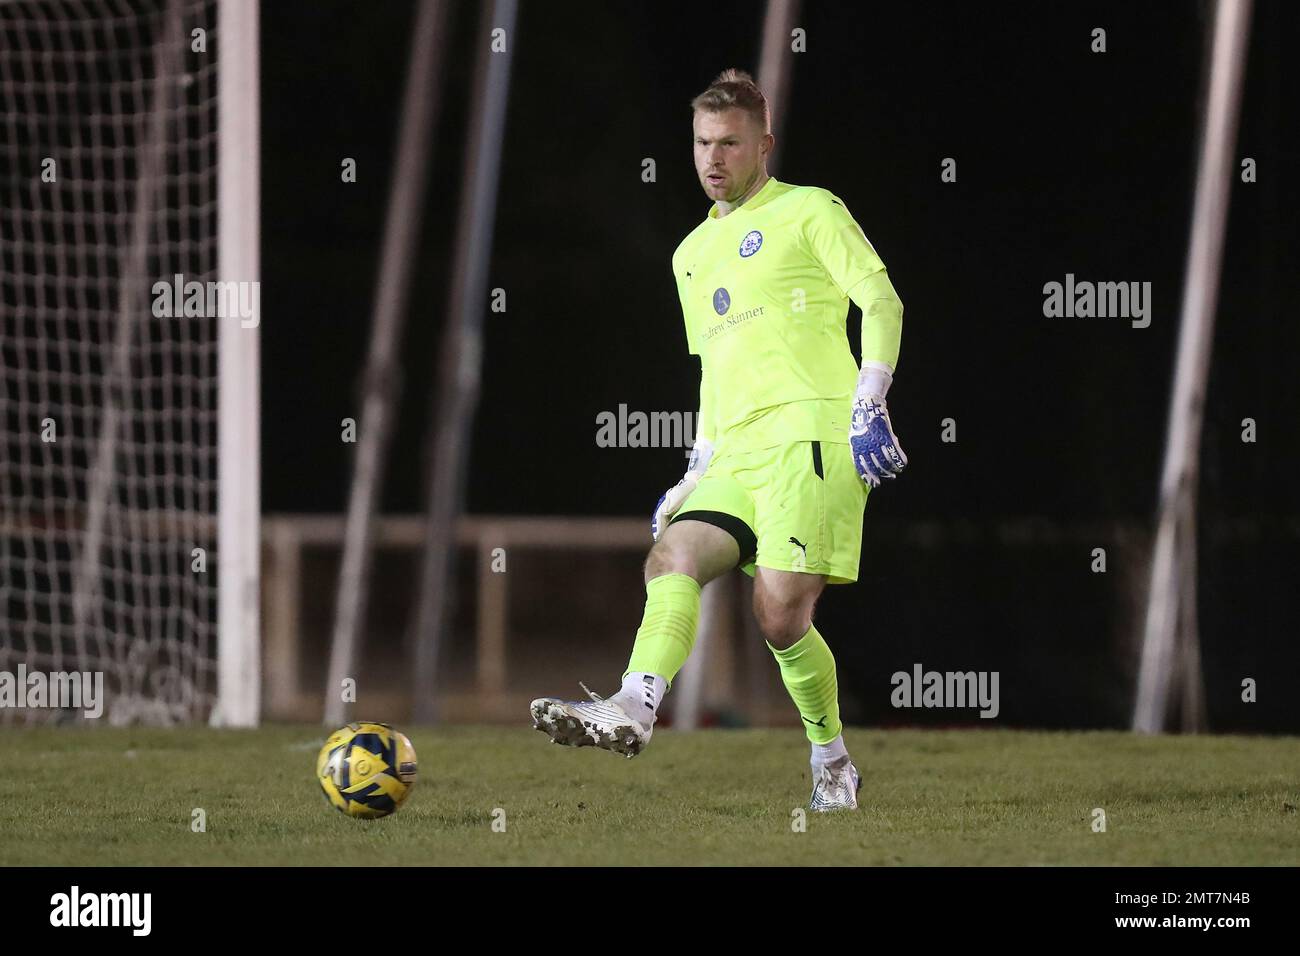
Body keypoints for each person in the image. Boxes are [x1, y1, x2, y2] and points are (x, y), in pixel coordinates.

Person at [531, 69, 907, 811]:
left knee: (779, 614)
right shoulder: (689, 256)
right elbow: (715, 368)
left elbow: (881, 298)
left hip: (814, 434)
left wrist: (871, 399)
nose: (713, 158)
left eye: (730, 143)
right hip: (736, 450)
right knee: (672, 552)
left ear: (762, 144)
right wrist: (696, 465)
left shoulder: (810, 210)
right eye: (703, 143)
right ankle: (635, 705)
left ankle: (831, 760)